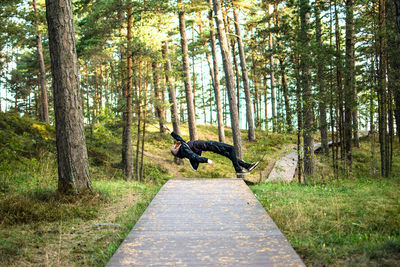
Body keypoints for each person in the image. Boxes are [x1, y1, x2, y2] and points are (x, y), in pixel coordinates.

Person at [163, 125, 259, 175]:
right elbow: (194, 156)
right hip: (209, 145)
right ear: (176, 150)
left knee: (229, 154)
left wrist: (168, 129)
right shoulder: (184, 150)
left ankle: (247, 166)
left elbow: (177, 137)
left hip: (209, 146)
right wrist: (207, 160)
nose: (176, 144)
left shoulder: (183, 145)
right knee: (231, 148)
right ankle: (238, 169)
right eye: (175, 146)